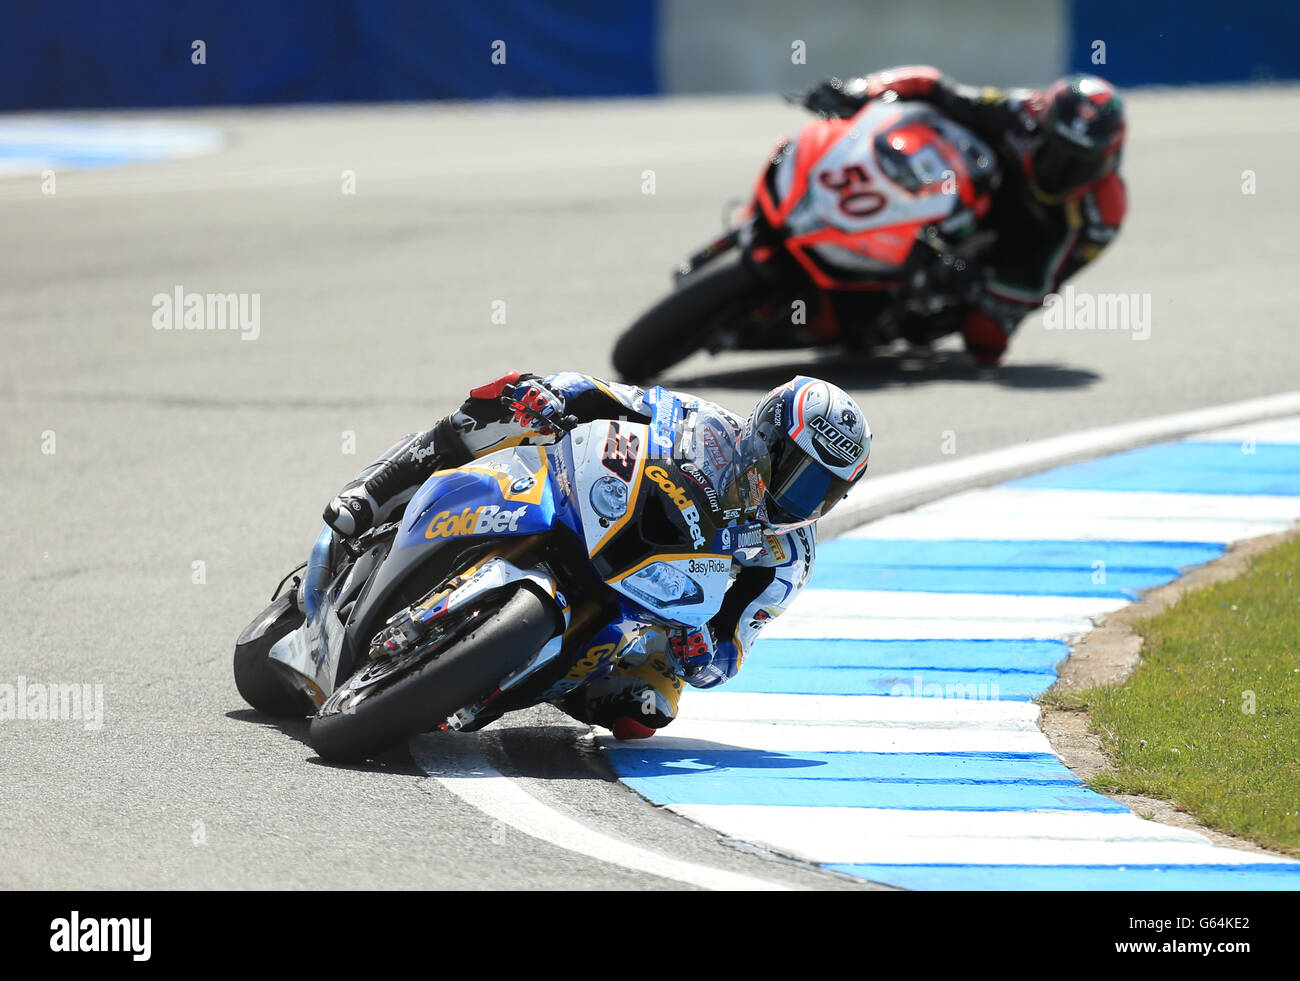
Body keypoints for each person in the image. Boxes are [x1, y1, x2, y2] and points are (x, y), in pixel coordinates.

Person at [323, 370, 871, 739]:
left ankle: (501, 684)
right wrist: (554, 396)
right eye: (795, 473)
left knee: (648, 708)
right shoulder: (706, 425)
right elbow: (608, 395)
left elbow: (734, 646)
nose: (796, 498)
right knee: (509, 401)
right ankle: (378, 489)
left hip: (655, 598)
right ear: (767, 436)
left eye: (818, 491)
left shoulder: (788, 558)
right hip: (598, 506)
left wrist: (700, 651)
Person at [804, 67, 1127, 366]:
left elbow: (1045, 279)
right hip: (972, 195)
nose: (1064, 173)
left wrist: (974, 281)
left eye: (1082, 164)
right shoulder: (1015, 112)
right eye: (1055, 155)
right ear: (1039, 126)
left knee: (985, 341)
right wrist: (860, 92)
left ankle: (905, 311)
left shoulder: (1101, 212)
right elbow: (934, 87)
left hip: (1027, 248)